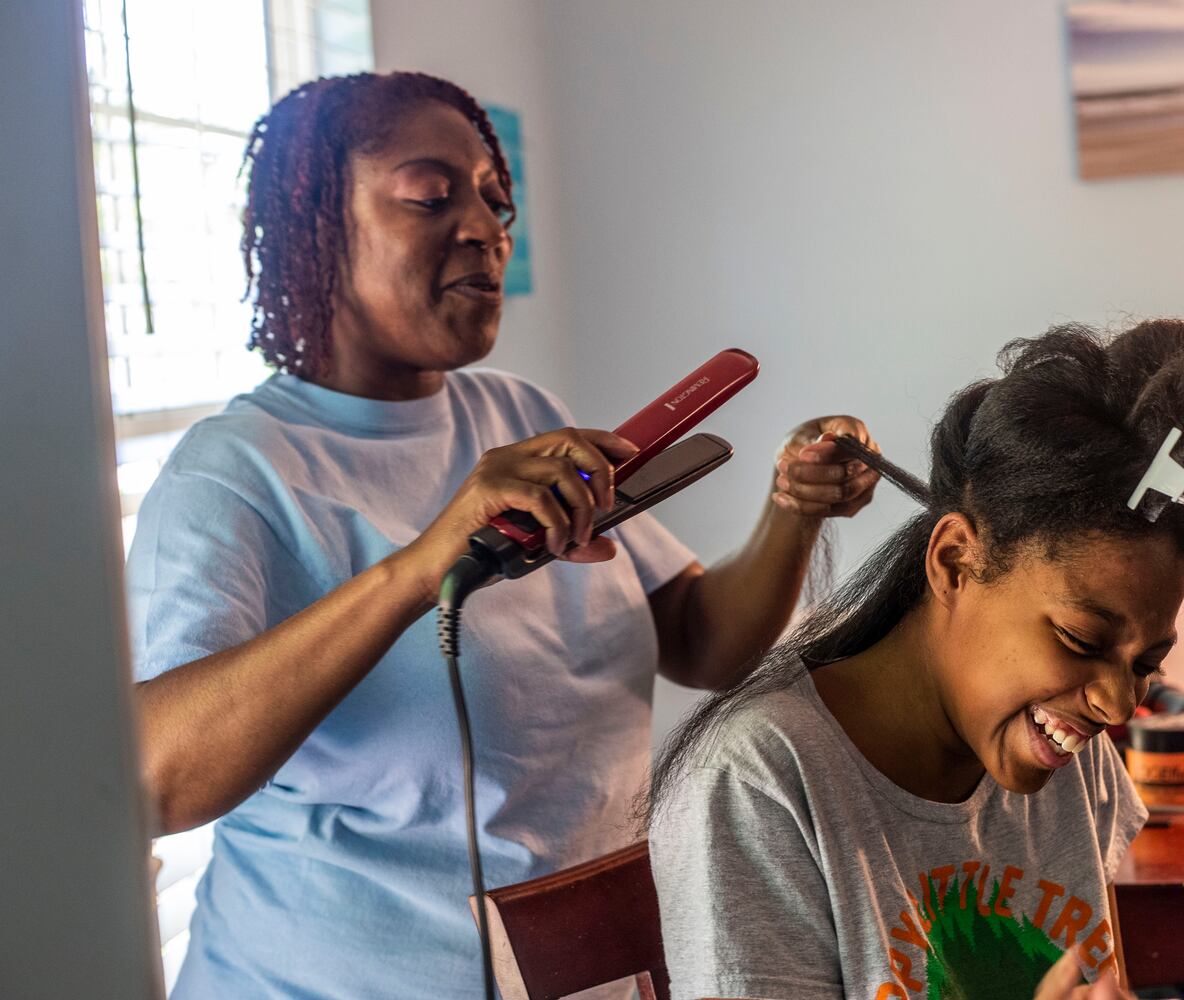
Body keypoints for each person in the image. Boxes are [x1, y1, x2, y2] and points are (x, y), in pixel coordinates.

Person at [127, 71, 880, 1000]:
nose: (486, 227)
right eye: (431, 196)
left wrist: (794, 510)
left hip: (588, 972)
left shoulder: (518, 413)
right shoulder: (236, 472)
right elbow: (158, 781)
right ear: (314, 225)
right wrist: (423, 566)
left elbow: (702, 640)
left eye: (496, 200)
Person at [647, 315, 1184, 1000]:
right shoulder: (760, 782)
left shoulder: (1062, 751)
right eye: (1081, 641)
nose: (1117, 704)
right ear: (954, 561)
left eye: (1145, 665)